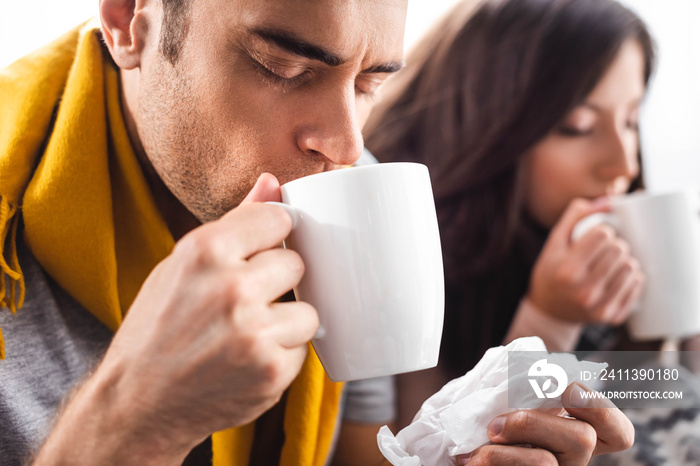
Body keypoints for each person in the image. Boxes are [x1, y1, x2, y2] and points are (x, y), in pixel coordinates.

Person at [0, 0, 634, 465]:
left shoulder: (358, 200)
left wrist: (462, 446)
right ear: (127, 21)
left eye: (369, 85)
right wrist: (129, 424)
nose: (345, 146)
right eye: (282, 66)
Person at [364, 0, 657, 427]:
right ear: (490, 129)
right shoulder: (403, 273)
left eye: (630, 120)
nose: (624, 165)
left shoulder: (626, 244)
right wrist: (549, 321)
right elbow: (428, 446)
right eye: (577, 126)